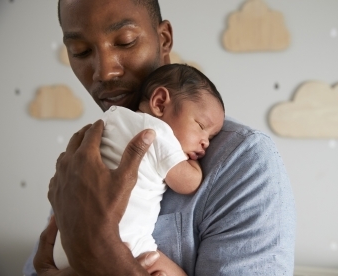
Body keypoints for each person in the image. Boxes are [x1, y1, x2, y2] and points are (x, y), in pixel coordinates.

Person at [24, 0, 296, 275]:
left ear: (163, 39)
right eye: (80, 51)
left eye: (126, 41)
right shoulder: (86, 153)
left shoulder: (242, 161)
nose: (104, 72)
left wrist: (103, 252)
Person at [52, 63, 225, 274]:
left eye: (211, 137)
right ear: (160, 103)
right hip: (126, 244)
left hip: (64, 248)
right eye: (201, 126)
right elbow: (188, 183)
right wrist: (191, 161)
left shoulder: (111, 119)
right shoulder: (158, 132)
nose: (205, 142)